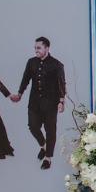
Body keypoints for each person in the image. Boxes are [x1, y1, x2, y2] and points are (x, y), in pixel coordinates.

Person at [11, 36, 66, 170]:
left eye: (39, 48)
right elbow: (25, 79)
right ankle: (44, 146)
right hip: (34, 102)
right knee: (33, 126)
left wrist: (61, 101)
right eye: (35, 48)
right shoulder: (31, 62)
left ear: (47, 48)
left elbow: (61, 84)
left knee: (50, 130)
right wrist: (19, 94)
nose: (36, 50)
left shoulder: (57, 64)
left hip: (51, 104)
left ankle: (48, 158)